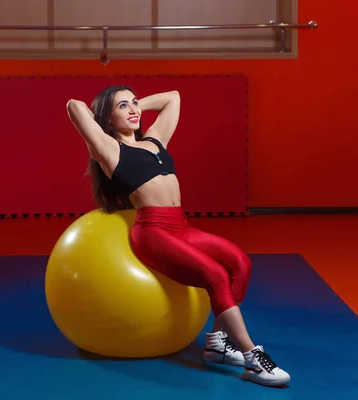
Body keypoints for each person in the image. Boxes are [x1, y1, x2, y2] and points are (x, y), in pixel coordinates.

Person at [66, 85, 290, 387]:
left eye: (134, 103)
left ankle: (217, 345)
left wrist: (136, 106)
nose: (133, 110)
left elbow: (174, 97)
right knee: (216, 276)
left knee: (241, 264)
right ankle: (252, 358)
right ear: (107, 118)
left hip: (182, 227)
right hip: (153, 231)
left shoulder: (155, 141)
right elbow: (73, 106)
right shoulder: (110, 150)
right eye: (123, 106)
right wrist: (103, 116)